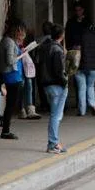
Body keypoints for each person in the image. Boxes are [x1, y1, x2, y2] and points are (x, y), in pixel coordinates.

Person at [68, 2, 95, 116]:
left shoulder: (78, 38)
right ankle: (92, 104)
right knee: (90, 86)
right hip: (93, 66)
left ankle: (81, 110)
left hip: (80, 65)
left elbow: (70, 43)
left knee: (81, 87)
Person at [38, 25, 68, 154]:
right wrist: (65, 81)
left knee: (53, 115)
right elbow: (58, 70)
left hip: (46, 85)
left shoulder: (44, 48)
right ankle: (53, 143)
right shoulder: (57, 50)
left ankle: (53, 142)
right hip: (57, 85)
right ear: (61, 35)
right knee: (56, 116)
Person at [0, 19, 28, 140]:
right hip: (12, 75)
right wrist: (21, 55)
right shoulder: (9, 42)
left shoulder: (9, 41)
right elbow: (10, 61)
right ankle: (5, 131)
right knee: (10, 104)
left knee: (11, 103)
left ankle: (6, 130)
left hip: (14, 74)